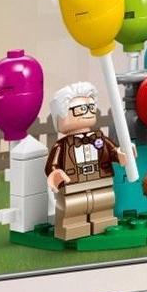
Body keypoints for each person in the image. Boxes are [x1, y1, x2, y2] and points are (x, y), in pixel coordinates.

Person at [45, 81, 122, 241]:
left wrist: (119, 154)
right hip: (73, 181)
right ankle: (73, 226)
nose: (88, 112)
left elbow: (112, 151)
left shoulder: (99, 138)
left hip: (100, 177)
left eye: (91, 108)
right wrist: (54, 172)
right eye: (80, 109)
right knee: (74, 204)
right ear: (60, 116)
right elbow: (52, 164)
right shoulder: (62, 145)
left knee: (103, 200)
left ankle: (103, 221)